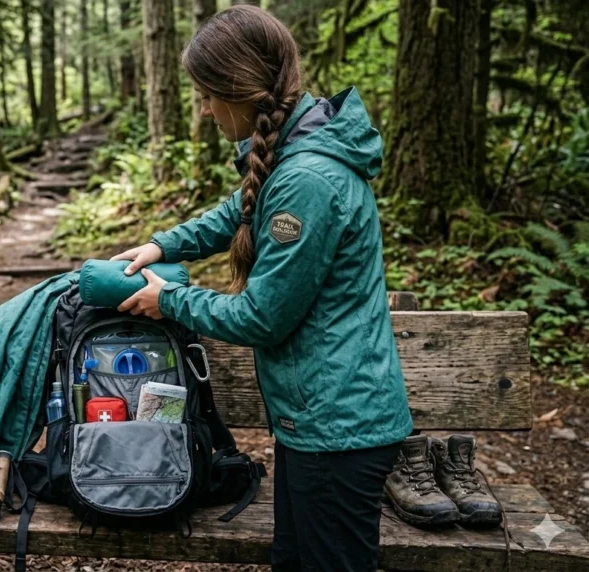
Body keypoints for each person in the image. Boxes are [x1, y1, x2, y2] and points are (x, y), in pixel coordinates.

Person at [112, 5, 414, 572]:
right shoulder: (294, 148)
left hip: (339, 430)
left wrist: (169, 298)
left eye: (206, 95)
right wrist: (163, 245)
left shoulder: (308, 180)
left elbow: (262, 316)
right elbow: (239, 209)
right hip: (318, 424)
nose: (202, 110)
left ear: (239, 90)